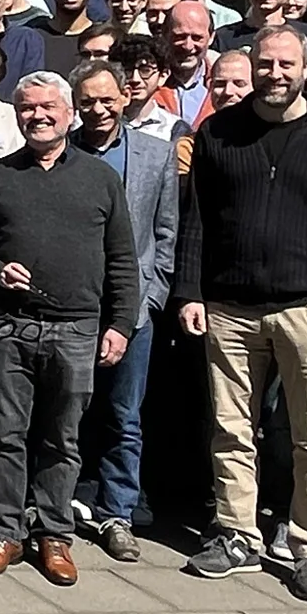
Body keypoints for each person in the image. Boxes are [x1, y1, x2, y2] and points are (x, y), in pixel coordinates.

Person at [174, 27, 307, 604]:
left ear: (306, 68)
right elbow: (197, 221)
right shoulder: (218, 132)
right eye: (265, 64)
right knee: (231, 429)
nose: (275, 74)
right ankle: (237, 534)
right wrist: (189, 292)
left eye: (286, 64)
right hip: (229, 308)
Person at [0, 72, 137, 585]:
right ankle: (6, 532)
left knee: (62, 439)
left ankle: (54, 534)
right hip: (9, 327)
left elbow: (122, 258)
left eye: (48, 107)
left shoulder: (101, 178)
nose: (38, 116)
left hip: (76, 328)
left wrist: (121, 323)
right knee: (5, 436)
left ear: (69, 113)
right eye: (28, 108)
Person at [70, 55, 181, 561]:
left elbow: (166, 233)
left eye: (106, 99)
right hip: (73, 307)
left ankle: (117, 512)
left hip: (133, 309)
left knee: (123, 416)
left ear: (124, 98)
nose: (97, 109)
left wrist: (152, 298)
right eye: (87, 101)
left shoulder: (156, 155)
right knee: (66, 413)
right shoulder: (62, 152)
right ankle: (63, 503)